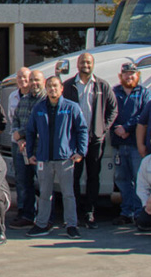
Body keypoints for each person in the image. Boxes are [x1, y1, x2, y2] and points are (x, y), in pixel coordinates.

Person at [26, 76, 88, 239]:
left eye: (55, 86)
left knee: (68, 193)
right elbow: (30, 131)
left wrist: (81, 152)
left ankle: (71, 225)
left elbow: (82, 130)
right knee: (45, 194)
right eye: (49, 86)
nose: (52, 89)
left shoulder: (71, 107)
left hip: (65, 158)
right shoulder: (39, 108)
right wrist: (30, 154)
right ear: (46, 89)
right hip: (44, 159)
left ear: (62, 88)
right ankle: (41, 224)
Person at [62, 51, 118, 228]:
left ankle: (90, 212)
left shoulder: (101, 85)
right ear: (77, 65)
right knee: (74, 176)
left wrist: (103, 128)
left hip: (95, 139)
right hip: (74, 139)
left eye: (88, 62)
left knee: (94, 176)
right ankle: (76, 211)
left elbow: (113, 109)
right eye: (82, 62)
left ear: (93, 65)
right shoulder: (68, 85)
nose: (85, 65)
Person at [111, 63, 151, 225]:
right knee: (122, 179)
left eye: (132, 74)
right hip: (118, 144)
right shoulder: (114, 92)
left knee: (139, 179)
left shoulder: (144, 93)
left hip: (137, 145)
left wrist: (127, 128)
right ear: (121, 76)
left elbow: (145, 115)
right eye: (126, 74)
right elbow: (108, 112)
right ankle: (126, 212)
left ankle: (139, 211)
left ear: (138, 75)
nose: (129, 77)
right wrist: (117, 128)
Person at [9, 69, 46, 228]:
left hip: (41, 149)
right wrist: (18, 136)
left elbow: (40, 124)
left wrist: (23, 135)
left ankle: (45, 217)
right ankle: (26, 214)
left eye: (37, 80)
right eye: (32, 80)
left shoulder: (46, 100)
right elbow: (15, 120)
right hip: (22, 149)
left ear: (43, 81)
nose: (34, 83)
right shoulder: (23, 100)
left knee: (45, 184)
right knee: (23, 182)